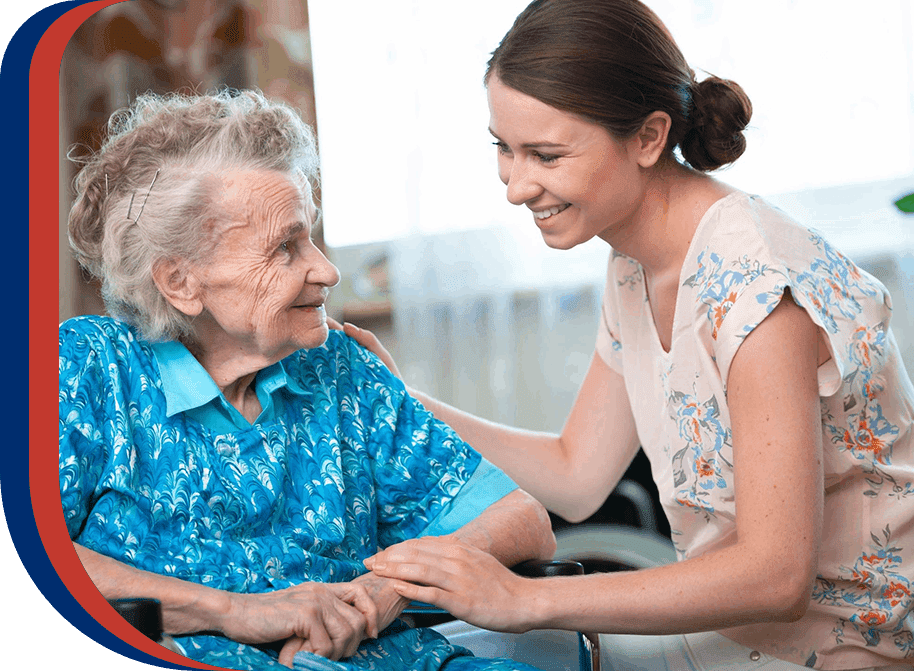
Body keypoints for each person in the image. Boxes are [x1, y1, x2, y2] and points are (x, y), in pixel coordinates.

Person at [344, 1, 914, 669]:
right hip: (736, 636)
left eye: (546, 154)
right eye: (503, 147)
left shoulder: (758, 286)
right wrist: (402, 399)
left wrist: (521, 598)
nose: (516, 185)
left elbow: (776, 577)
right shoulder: (634, 265)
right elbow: (577, 472)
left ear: (648, 138)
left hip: (841, 646)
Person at [59, 89, 557, 671]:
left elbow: (522, 521)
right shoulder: (89, 370)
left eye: (311, 237)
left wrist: (385, 592)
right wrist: (234, 611)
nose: (326, 270)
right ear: (180, 282)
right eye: (285, 247)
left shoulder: (338, 367)